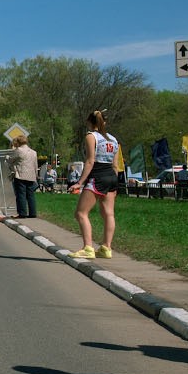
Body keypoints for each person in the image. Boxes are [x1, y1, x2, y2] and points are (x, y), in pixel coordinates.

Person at [68, 109, 120, 260]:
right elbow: (115, 165)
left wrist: (79, 182)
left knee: (81, 213)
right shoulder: (114, 139)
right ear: (105, 122)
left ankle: (88, 248)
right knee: (108, 213)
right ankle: (106, 248)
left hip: (97, 176)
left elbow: (90, 161)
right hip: (111, 176)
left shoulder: (91, 136)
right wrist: (114, 181)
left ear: (90, 122)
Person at [10, 135, 39, 218]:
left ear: (18, 142)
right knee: (31, 195)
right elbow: (35, 165)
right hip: (31, 176)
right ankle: (33, 213)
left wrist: (8, 156)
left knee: (21, 195)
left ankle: (22, 213)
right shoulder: (34, 152)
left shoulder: (18, 150)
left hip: (20, 175)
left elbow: (10, 160)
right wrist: (36, 176)